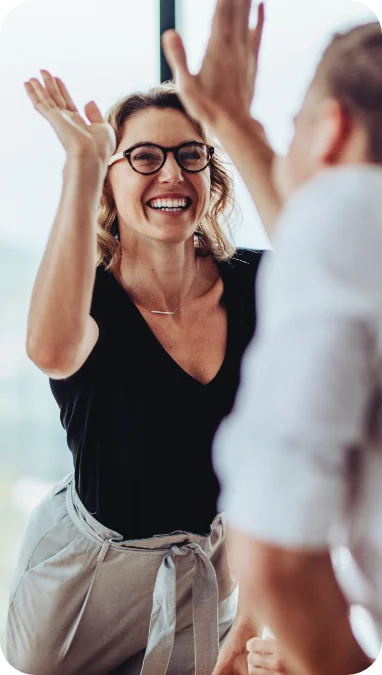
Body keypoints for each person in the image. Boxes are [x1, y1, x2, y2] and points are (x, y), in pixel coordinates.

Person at [5, 6, 279, 674]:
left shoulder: (257, 282)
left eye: (190, 155)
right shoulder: (89, 294)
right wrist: (82, 160)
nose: (170, 174)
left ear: (210, 180)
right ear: (112, 181)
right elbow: (50, 349)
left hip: (202, 572)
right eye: (143, 157)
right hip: (81, 581)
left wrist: (253, 612)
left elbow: (341, 286)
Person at [163, 3, 382, 674]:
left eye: (292, 129)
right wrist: (235, 121)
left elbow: (273, 545)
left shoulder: (347, 208)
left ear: (334, 128)